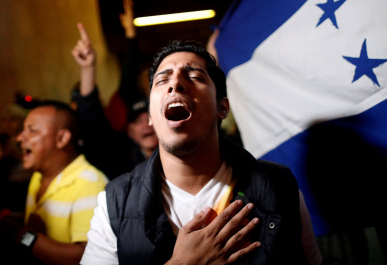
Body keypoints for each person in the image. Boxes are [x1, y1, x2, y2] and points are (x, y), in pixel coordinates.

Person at [81, 41, 322, 264]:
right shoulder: (114, 204)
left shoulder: (280, 187)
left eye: (195, 76)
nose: (175, 83)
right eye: (162, 80)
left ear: (222, 107)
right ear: (152, 116)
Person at [0, 101, 109, 264]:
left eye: (32, 130)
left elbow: (86, 256)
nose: (20, 137)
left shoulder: (90, 184)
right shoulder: (39, 176)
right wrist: (8, 219)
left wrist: (19, 234)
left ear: (62, 138)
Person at [71, 0, 158, 179]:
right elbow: (91, 117)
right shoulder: (120, 162)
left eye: (149, 117)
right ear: (128, 131)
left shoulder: (185, 157)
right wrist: (88, 68)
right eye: (137, 121)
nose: (145, 124)